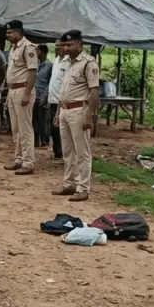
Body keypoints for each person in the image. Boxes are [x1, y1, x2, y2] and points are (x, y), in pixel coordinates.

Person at [53, 30, 100, 202]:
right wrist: (59, 112)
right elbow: (63, 90)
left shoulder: (89, 63)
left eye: (69, 44)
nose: (65, 47)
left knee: (82, 152)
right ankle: (69, 183)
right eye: (64, 44)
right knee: (67, 151)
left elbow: (94, 91)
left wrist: (89, 115)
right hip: (65, 109)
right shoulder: (66, 62)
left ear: (80, 45)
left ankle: (83, 187)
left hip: (79, 110)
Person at [3, 19, 38, 175]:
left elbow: (32, 72)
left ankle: (28, 162)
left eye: (10, 32)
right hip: (12, 90)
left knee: (25, 129)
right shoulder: (13, 48)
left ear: (18, 32)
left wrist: (27, 93)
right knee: (16, 128)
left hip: (23, 90)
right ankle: (19, 159)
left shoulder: (28, 47)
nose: (7, 35)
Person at [46, 39, 69, 159]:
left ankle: (62, 151)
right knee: (53, 128)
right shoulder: (56, 60)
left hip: (62, 102)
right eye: (56, 46)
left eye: (60, 45)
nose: (58, 48)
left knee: (60, 128)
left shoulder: (68, 62)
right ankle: (57, 150)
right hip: (52, 100)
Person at [34, 44, 53, 148]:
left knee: (43, 120)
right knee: (34, 120)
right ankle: (36, 140)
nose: (36, 53)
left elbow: (50, 83)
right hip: (34, 95)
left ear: (44, 53)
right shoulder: (35, 64)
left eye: (38, 51)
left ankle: (44, 140)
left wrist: (45, 96)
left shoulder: (49, 66)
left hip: (43, 95)